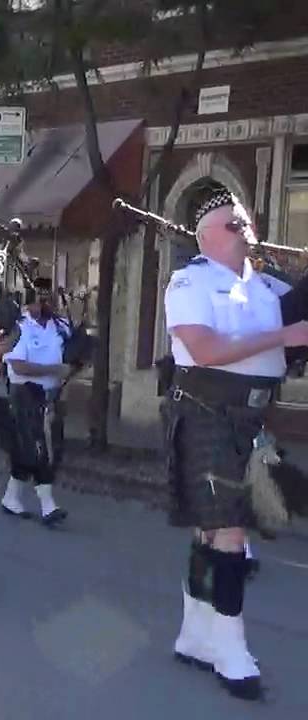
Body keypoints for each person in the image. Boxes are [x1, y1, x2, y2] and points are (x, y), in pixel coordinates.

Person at [162, 184, 308, 701]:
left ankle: (195, 634)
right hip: (205, 412)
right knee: (229, 532)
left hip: (252, 420)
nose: (245, 230)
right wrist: (281, 339)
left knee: (212, 531)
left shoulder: (271, 289)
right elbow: (202, 348)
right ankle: (231, 649)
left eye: (247, 221)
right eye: (233, 223)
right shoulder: (189, 281)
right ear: (205, 236)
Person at [0, 277, 70, 526]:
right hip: (25, 395)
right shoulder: (21, 327)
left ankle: (11, 498)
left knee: (30, 450)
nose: (44, 303)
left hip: (52, 397)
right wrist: (54, 370)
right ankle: (48, 506)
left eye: (47, 297)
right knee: (39, 448)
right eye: (39, 298)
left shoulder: (60, 325)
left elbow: (72, 355)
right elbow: (18, 365)